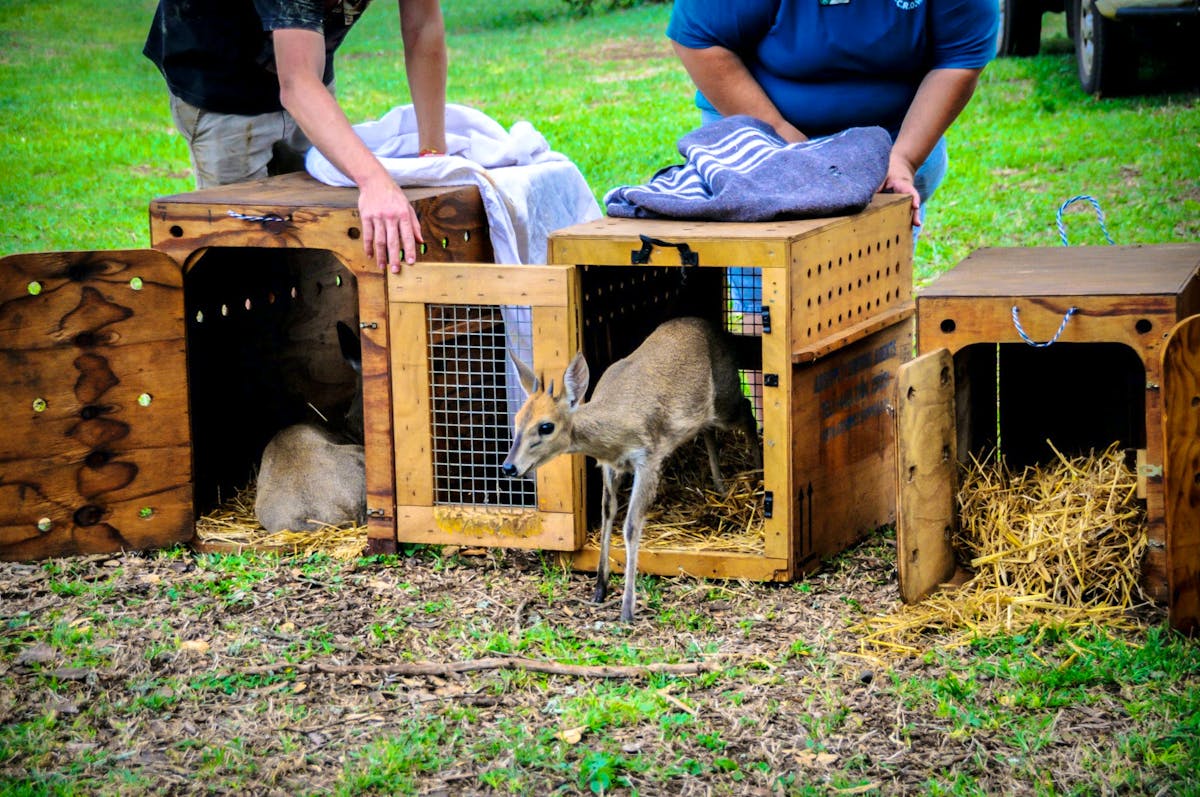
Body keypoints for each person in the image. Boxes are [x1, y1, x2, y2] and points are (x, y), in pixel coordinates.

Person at [144, 0, 447, 272]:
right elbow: (298, 85)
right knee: (242, 248)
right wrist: (375, 183)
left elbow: (423, 29)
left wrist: (433, 156)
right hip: (221, 76)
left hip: (306, 60)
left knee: (321, 243)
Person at [667, 0, 998, 232]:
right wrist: (781, 138)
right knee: (764, 293)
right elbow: (700, 40)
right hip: (759, 122)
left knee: (869, 282)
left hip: (895, 136)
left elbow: (959, 58)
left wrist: (905, 160)